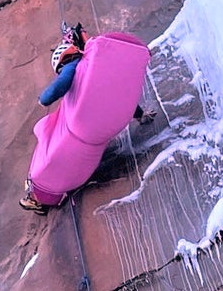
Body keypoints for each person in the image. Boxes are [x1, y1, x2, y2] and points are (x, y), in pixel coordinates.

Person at [21, 24, 150, 214]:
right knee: (58, 158)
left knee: (49, 160)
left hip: (81, 138)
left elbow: (57, 88)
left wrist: (43, 99)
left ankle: (40, 195)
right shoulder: (95, 70)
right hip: (105, 130)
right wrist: (140, 115)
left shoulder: (74, 66)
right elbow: (118, 97)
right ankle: (41, 193)